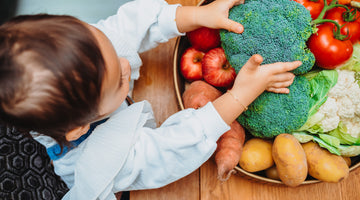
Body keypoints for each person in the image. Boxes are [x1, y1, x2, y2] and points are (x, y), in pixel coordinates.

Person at [0, 0, 301, 199]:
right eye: (120, 79)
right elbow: (170, 148)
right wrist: (242, 94)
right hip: (111, 162)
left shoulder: (85, 55)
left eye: (109, 47)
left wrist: (197, 15)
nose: (126, 63)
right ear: (80, 126)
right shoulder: (103, 160)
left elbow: (125, 27)